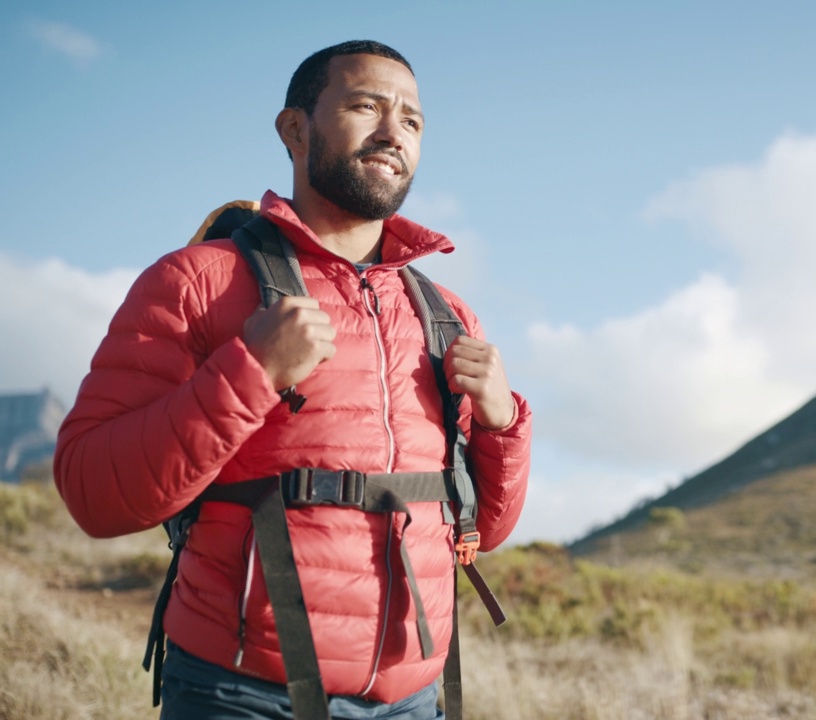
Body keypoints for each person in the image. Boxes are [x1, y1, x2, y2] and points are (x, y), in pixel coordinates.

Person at [53, 40, 531, 719]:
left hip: (413, 698)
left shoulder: (447, 316)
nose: (394, 133)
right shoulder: (197, 281)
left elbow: (480, 528)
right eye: (366, 106)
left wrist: (500, 423)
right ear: (296, 129)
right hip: (242, 693)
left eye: (413, 120)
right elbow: (93, 493)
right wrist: (249, 373)